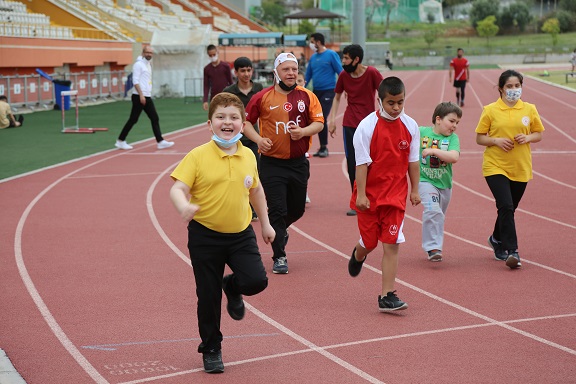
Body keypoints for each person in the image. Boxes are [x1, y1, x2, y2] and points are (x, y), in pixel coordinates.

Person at [169, 92, 274, 374]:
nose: (227, 122)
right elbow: (177, 188)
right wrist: (183, 205)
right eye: (221, 117)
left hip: (241, 234)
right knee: (208, 294)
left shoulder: (248, 154)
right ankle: (211, 348)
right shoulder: (198, 156)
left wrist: (265, 222)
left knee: (256, 281)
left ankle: (233, 286)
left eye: (233, 117)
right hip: (205, 236)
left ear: (243, 123)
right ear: (210, 123)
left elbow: (256, 190)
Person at [243, 52, 324, 274]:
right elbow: (246, 123)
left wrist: (303, 132)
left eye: (294, 69)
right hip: (272, 164)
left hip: (298, 163)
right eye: (286, 69)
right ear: (276, 72)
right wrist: (259, 139)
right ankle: (279, 256)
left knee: (297, 209)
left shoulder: (307, 96)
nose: (291, 73)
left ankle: (278, 230)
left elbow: (319, 123)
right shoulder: (262, 97)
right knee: (277, 209)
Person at [347, 76, 421, 312]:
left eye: (400, 102)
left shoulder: (411, 126)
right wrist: (360, 195)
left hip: (396, 197)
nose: (396, 107)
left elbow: (413, 162)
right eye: (391, 103)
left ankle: (387, 295)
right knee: (370, 243)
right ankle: (359, 254)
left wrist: (415, 189)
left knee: (391, 244)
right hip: (369, 197)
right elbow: (360, 164)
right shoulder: (366, 127)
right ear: (379, 100)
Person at [475, 69, 544, 269]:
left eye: (517, 86)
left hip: (520, 166)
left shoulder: (529, 109)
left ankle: (496, 239)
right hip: (495, 165)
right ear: (501, 88)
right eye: (509, 86)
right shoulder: (490, 110)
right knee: (505, 206)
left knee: (509, 209)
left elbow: (538, 133)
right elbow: (479, 138)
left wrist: (528, 137)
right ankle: (512, 251)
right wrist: (495, 140)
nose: (514, 90)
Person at [328, 44, 383, 216]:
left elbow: (384, 93)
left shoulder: (372, 73)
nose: (343, 62)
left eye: (345, 58)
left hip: (370, 124)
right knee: (353, 163)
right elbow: (337, 98)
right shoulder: (344, 75)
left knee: (372, 161)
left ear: (356, 59)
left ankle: (374, 196)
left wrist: (385, 117)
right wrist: (332, 120)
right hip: (350, 124)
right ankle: (356, 201)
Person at [419, 102, 461, 262]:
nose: (454, 126)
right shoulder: (422, 132)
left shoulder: (452, 138)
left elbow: (454, 157)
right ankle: (433, 247)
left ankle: (433, 244)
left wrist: (433, 151)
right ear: (438, 119)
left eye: (457, 123)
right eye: (451, 121)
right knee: (432, 210)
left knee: (439, 215)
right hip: (425, 180)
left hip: (444, 185)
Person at [222, 57, 264, 221]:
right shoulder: (229, 91)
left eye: (249, 70)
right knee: (233, 173)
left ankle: (253, 208)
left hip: (253, 138)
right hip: (234, 138)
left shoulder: (259, 88)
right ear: (236, 72)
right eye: (243, 71)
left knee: (254, 172)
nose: (246, 74)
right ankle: (234, 204)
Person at [115, 45, 174, 150]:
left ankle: (160, 141)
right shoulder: (138, 65)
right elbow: (135, 81)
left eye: (151, 53)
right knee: (133, 119)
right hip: (139, 96)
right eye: (147, 52)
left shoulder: (148, 64)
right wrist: (141, 95)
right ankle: (120, 140)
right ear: (143, 53)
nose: (149, 54)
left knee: (154, 118)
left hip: (146, 96)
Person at [305, 32, 343, 158]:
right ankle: (318, 147)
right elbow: (308, 75)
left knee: (321, 118)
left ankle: (324, 147)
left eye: (312, 41)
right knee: (314, 118)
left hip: (329, 90)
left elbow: (340, 71)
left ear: (318, 42)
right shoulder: (313, 58)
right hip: (316, 91)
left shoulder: (331, 54)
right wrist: (301, 88)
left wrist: (346, 88)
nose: (310, 44)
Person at [296, 71, 312, 205]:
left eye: (300, 81)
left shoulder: (309, 99)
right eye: (296, 81)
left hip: (303, 143)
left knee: (304, 171)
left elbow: (316, 123)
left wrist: (304, 131)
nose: (297, 84)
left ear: (304, 83)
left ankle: (304, 191)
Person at [203, 44, 233, 111]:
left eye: (214, 54)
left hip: (226, 96)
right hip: (214, 98)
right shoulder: (207, 69)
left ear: (217, 52)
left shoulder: (225, 66)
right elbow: (206, 85)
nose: (212, 57)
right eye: (210, 55)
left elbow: (231, 82)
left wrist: (233, 96)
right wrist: (205, 100)